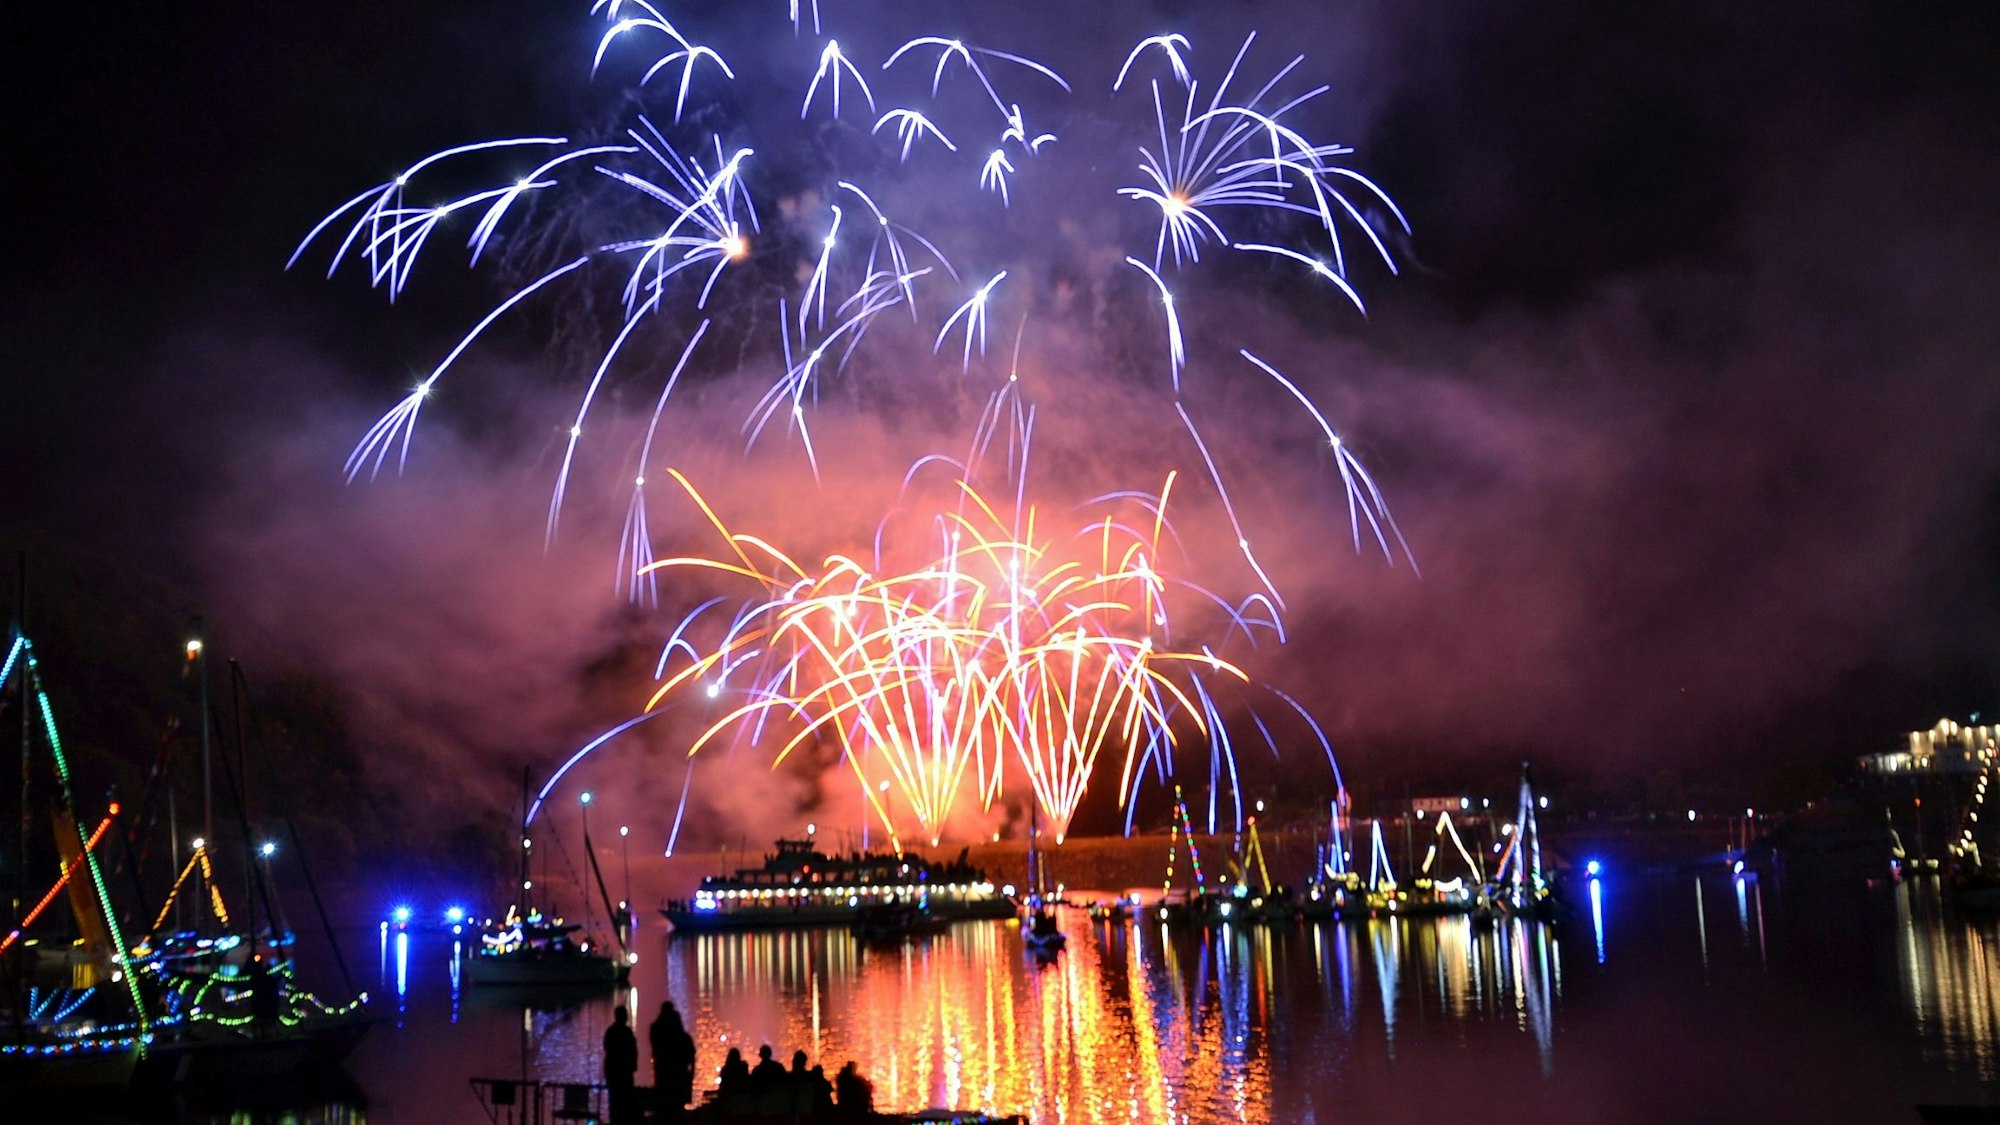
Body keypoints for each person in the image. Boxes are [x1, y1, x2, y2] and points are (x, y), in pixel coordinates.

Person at [650, 1000, 697, 1120]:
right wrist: (691, 1074)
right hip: (678, 1075)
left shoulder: (657, 1031)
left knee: (665, 1107)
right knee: (677, 1107)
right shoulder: (682, 1037)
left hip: (663, 1074)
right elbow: (691, 1057)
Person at [603, 1006, 639, 1125]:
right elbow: (633, 1051)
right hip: (625, 1072)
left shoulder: (610, 1032)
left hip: (613, 1071)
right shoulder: (627, 1032)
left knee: (614, 1100)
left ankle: (614, 1121)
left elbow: (606, 1048)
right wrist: (633, 1065)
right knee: (624, 1099)